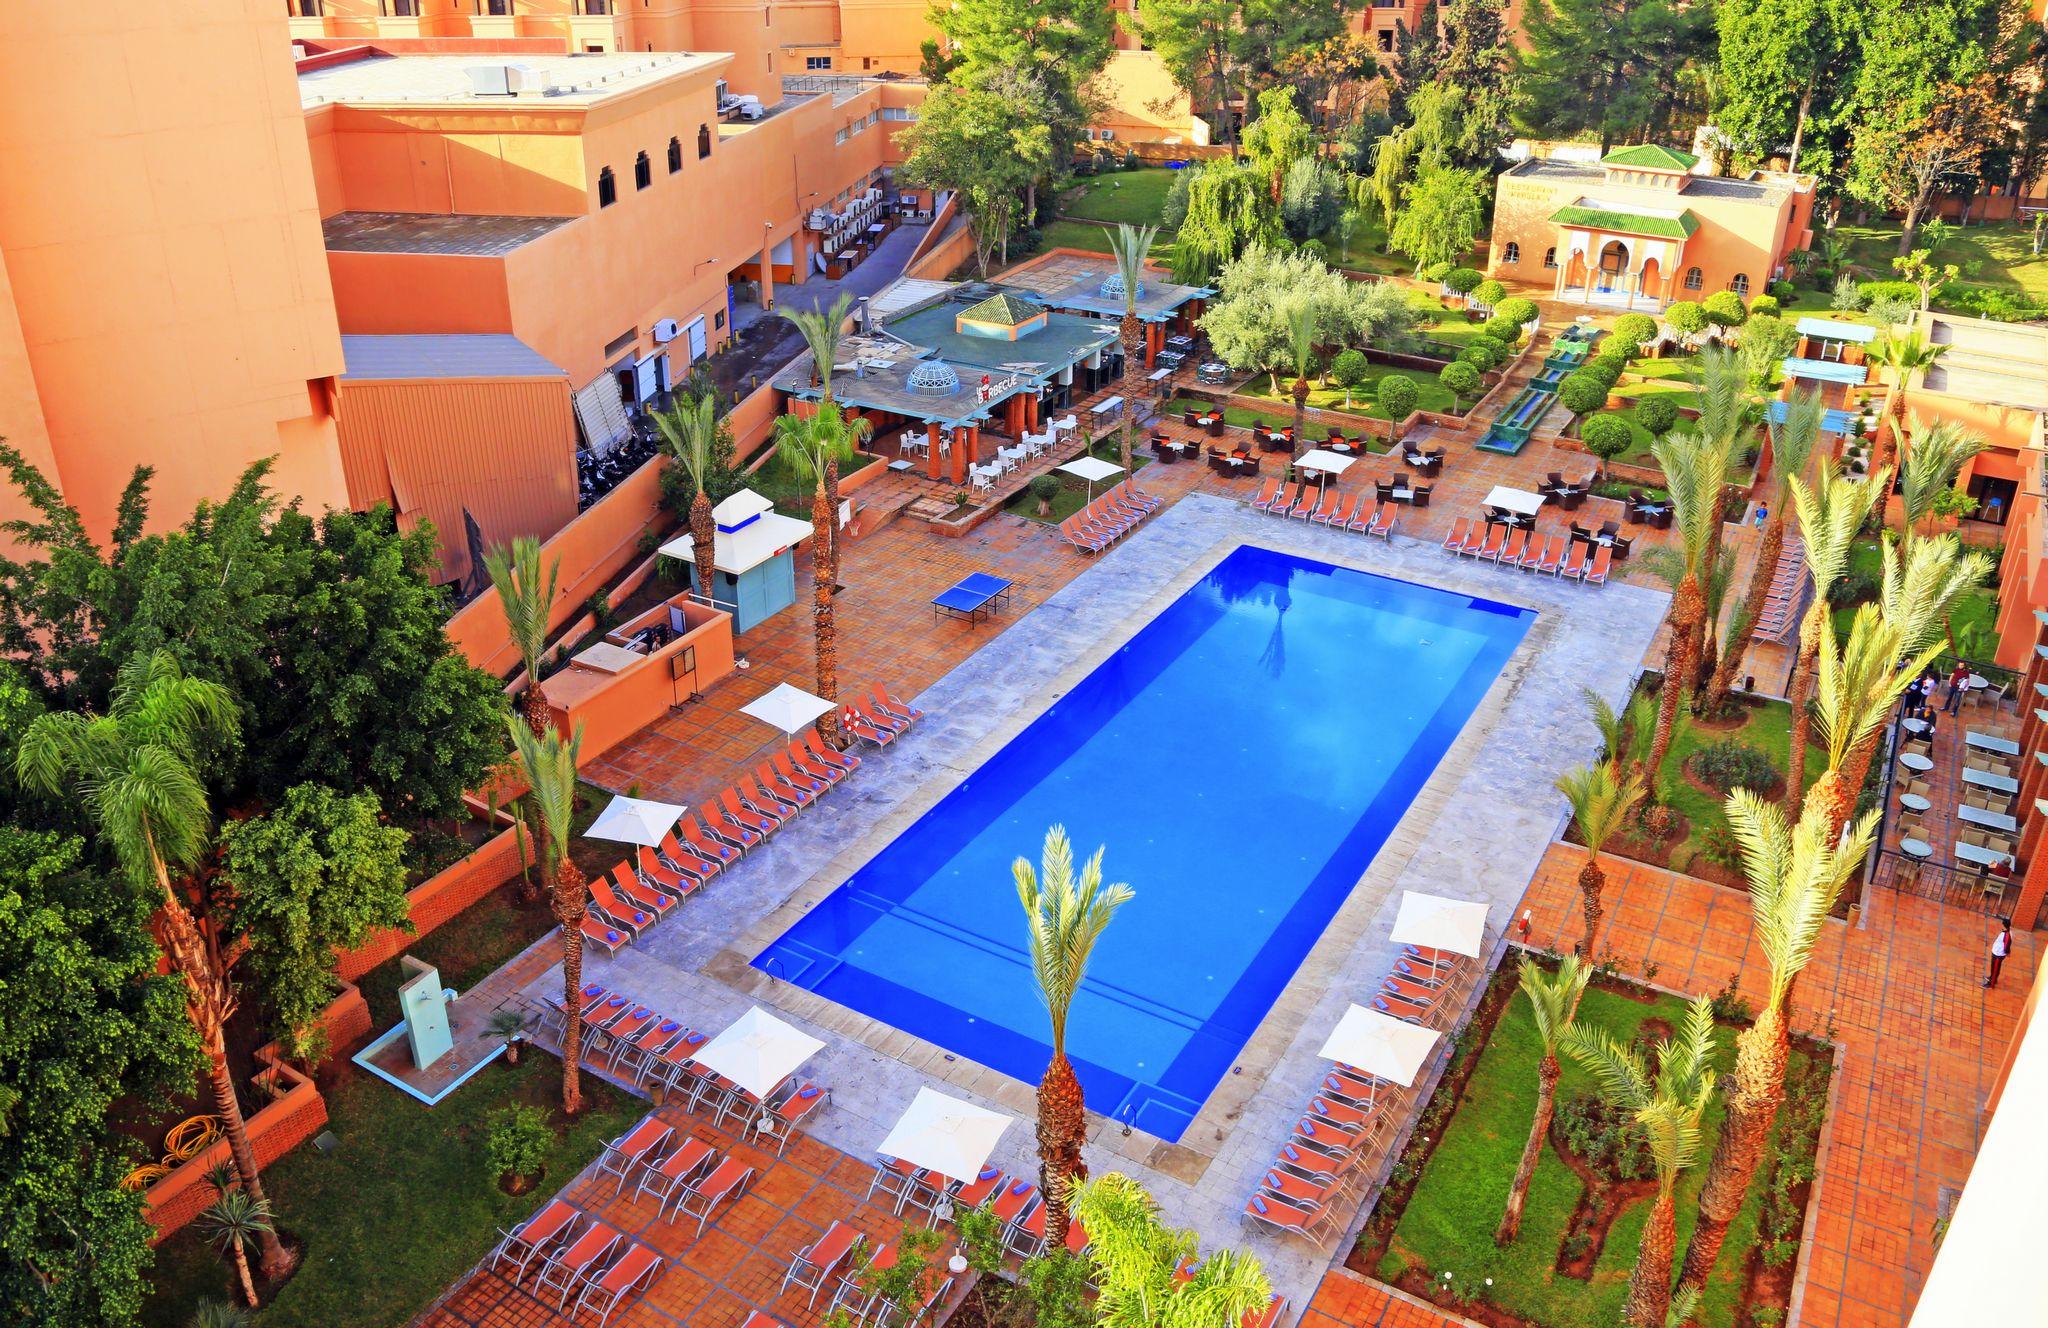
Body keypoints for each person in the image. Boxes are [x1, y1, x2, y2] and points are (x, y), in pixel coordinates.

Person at [1985, 916, 2012, 989]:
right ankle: (1992, 978)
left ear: (2003, 925)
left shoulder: (2007, 935)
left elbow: (2007, 947)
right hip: (1996, 953)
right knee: (1993, 967)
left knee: (1995, 969)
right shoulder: (2004, 931)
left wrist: (2007, 952)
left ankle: (1991, 984)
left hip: (1998, 955)